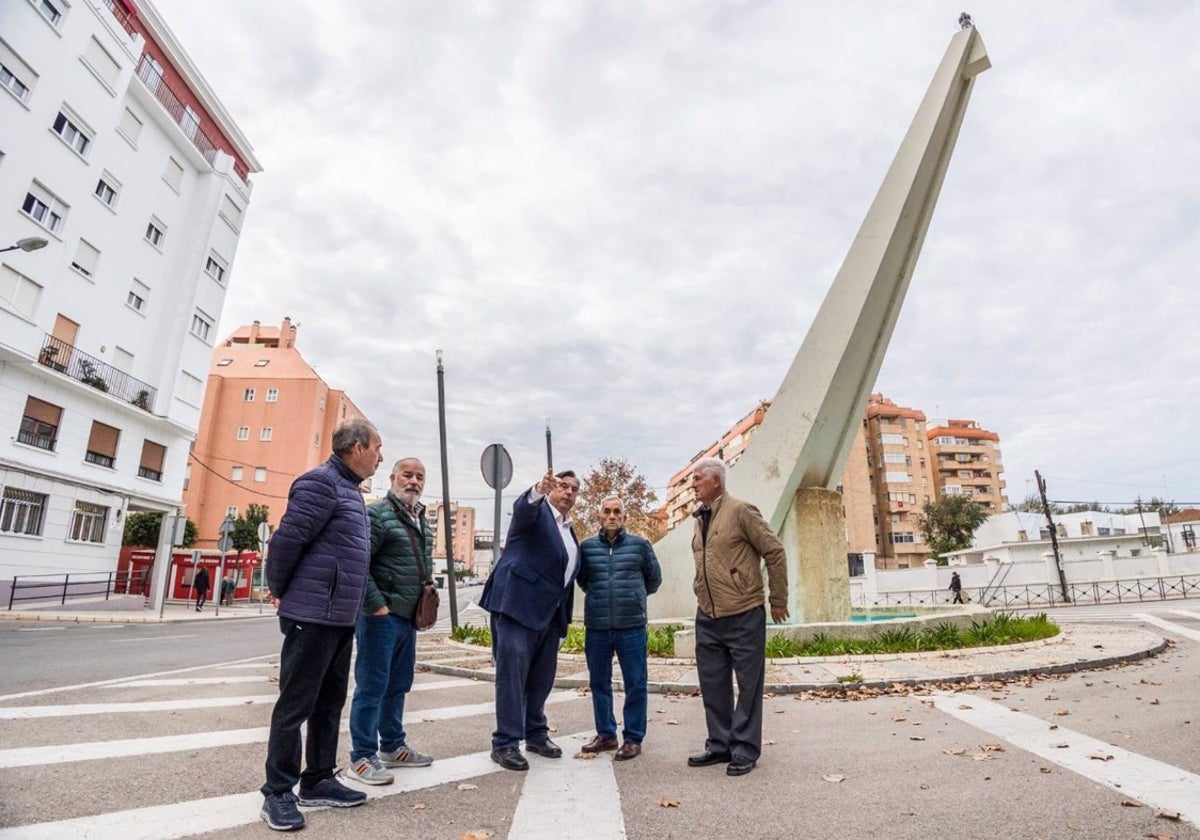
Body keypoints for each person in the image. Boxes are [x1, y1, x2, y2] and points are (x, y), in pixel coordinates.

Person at [259, 419, 384, 832]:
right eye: (377, 449)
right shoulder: (321, 484)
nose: (380, 457)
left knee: (330, 703)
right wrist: (281, 590)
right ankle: (278, 791)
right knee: (295, 706)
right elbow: (285, 542)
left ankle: (318, 780)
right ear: (357, 447)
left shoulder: (350, 491)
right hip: (311, 616)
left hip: (339, 618)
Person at [687, 457, 789, 777]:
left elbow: (774, 551)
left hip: (744, 612)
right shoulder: (698, 518)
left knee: (748, 686)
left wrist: (777, 599)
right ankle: (719, 745)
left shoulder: (742, 510)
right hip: (708, 614)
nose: (693, 484)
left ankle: (744, 748)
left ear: (717, 481)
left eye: (698, 478)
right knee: (713, 684)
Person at [479, 468, 581, 771]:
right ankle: (505, 743)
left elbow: (565, 578)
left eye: (574, 489)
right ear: (551, 488)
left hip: (548, 617)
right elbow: (522, 509)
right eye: (563, 486)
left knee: (541, 680)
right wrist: (537, 489)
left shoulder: (568, 528)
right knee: (512, 678)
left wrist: (563, 623)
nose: (568, 492)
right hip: (516, 608)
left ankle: (535, 734)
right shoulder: (535, 513)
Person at [346, 458, 435, 786]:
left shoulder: (420, 516)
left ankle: (393, 747)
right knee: (372, 687)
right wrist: (376, 605)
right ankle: (361, 756)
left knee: (398, 684)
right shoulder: (378, 514)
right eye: (408, 475)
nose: (414, 481)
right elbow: (359, 563)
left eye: (420, 477)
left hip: (407, 618)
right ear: (393, 477)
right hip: (380, 618)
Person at [577, 496, 662, 761]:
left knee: (635, 683)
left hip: (632, 627)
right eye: (607, 511)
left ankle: (634, 738)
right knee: (598, 682)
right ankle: (606, 735)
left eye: (617, 512)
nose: (612, 516)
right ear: (599, 517)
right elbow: (583, 580)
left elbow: (654, 580)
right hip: (598, 627)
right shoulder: (587, 548)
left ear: (624, 517)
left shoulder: (640, 546)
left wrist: (633, 599)